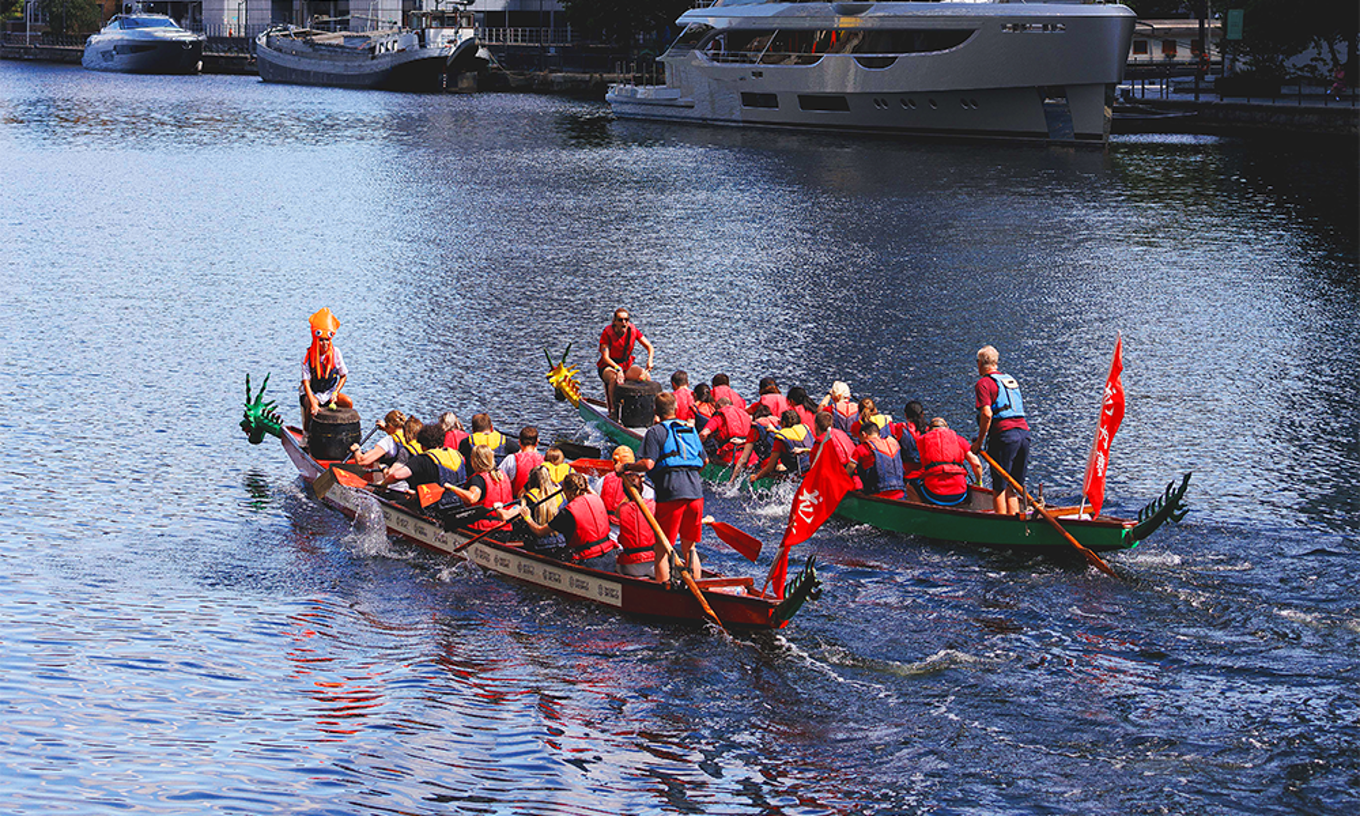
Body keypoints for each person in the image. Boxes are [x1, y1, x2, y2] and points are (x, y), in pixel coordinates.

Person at [619, 392, 707, 584]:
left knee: (661, 548)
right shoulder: (690, 430)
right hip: (696, 493)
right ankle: (700, 588)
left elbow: (648, 464)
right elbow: (705, 461)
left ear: (655, 411)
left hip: (671, 492)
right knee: (689, 547)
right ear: (675, 409)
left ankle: (663, 589)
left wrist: (627, 467)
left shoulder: (655, 432)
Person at [972, 345, 1032, 515]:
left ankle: (1002, 525)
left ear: (981, 363)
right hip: (1024, 435)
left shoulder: (983, 383)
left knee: (999, 487)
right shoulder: (1010, 380)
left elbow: (986, 414)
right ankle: (1015, 523)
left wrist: (979, 442)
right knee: (1013, 485)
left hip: (1004, 437)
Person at [519, 472, 617, 571]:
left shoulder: (567, 513)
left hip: (589, 560)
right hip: (609, 554)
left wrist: (528, 518)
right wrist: (587, 488)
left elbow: (539, 531)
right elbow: (592, 494)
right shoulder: (596, 499)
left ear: (568, 492)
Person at [378, 424, 466, 510]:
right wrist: (417, 494)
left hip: (432, 508)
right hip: (457, 505)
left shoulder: (422, 459)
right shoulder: (457, 455)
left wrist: (384, 484)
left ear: (422, 445)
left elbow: (396, 476)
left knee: (393, 503)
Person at [902, 417, 983, 506]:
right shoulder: (959, 439)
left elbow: (922, 465)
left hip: (933, 494)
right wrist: (978, 482)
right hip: (959, 494)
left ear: (929, 429)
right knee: (963, 483)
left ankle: (922, 513)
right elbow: (977, 464)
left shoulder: (922, 439)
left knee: (910, 487)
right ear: (947, 428)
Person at [299, 307, 351, 436]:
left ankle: (343, 433)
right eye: (321, 340)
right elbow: (306, 383)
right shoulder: (307, 356)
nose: (324, 343)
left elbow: (343, 376)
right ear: (316, 340)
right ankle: (306, 435)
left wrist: (335, 392)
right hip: (312, 392)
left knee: (348, 402)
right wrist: (313, 402)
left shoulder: (336, 353)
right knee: (313, 405)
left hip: (329, 392)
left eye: (327, 340)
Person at [446, 445, 514, 537]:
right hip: (504, 528)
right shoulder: (503, 476)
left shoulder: (478, 479)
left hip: (482, 529)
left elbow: (472, 498)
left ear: (473, 460)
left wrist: (451, 487)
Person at [598, 308, 655, 415]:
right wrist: (617, 369)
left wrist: (650, 360)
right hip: (608, 366)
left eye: (626, 320)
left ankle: (646, 410)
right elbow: (605, 357)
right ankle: (613, 410)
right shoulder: (607, 333)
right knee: (614, 378)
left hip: (626, 366)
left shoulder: (633, 330)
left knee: (645, 376)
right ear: (614, 321)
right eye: (620, 320)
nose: (624, 323)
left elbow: (649, 347)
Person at [748, 409, 815, 483]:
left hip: (799, 476)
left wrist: (756, 477)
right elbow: (793, 435)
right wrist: (775, 431)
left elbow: (769, 468)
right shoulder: (806, 428)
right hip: (814, 469)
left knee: (770, 474)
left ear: (783, 423)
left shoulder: (780, 439)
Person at [847, 418, 906, 499]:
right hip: (900, 493)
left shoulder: (862, 448)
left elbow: (850, 468)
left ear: (864, 434)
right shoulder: (894, 443)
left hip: (876, 495)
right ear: (879, 434)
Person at [614, 472, 657, 578]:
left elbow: (617, 513)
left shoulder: (622, 509)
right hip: (654, 564)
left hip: (631, 565)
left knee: (615, 562)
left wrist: (629, 493)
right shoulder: (653, 505)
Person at [698, 396, 754, 466]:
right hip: (751, 457)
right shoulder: (745, 415)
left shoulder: (719, 416)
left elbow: (703, 434)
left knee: (707, 457)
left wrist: (695, 448)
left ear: (719, 406)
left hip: (731, 457)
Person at [812, 411, 861, 490]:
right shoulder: (841, 433)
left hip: (839, 484)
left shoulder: (820, 442)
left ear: (816, 426)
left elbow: (814, 470)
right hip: (856, 478)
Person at [499, 426, 544, 496]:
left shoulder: (511, 459)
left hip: (516, 503)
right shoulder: (544, 461)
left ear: (519, 442)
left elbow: (499, 479)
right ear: (537, 442)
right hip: (538, 503)